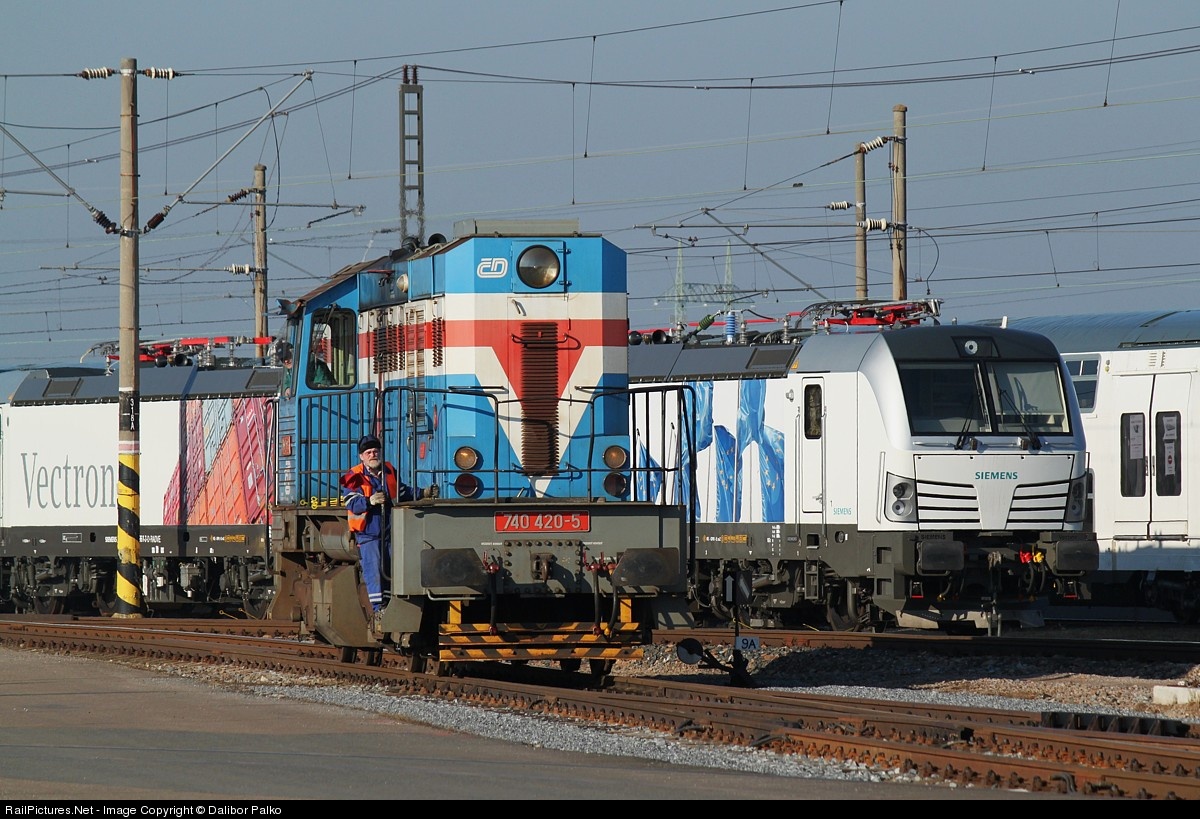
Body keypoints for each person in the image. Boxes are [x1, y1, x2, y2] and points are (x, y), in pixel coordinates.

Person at [340, 434, 437, 632]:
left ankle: (393, 606)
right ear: (361, 456)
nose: (372, 455)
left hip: (390, 531)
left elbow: (401, 492)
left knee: (393, 570)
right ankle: (379, 610)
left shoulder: (389, 471)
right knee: (374, 571)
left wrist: (423, 493)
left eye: (375, 451)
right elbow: (351, 503)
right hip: (368, 533)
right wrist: (370, 501)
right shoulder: (351, 475)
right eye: (368, 452)